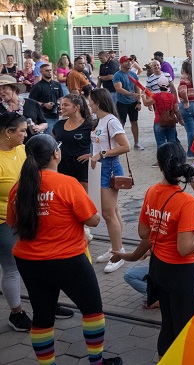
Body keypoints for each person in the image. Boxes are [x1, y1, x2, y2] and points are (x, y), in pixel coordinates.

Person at [6, 134, 121, 365]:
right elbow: (93, 220)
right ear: (56, 154)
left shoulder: (18, 188)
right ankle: (96, 362)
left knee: (42, 316)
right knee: (92, 311)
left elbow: (12, 223)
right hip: (67, 259)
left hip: (28, 261)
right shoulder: (67, 183)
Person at [111, 142, 194, 357]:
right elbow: (185, 247)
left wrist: (161, 224)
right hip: (180, 272)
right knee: (183, 328)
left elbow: (143, 232)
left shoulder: (151, 191)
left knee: (167, 325)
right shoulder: (186, 201)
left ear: (159, 165)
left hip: (159, 267)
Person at [88, 88, 131, 274]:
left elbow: (125, 146)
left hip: (109, 167)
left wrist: (101, 154)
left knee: (108, 213)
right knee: (113, 211)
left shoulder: (111, 121)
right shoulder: (100, 121)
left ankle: (118, 253)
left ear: (97, 102)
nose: (88, 103)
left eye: (90, 100)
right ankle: (116, 247)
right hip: (101, 167)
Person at [0, 112, 32, 331]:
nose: (25, 134)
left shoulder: (22, 149)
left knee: (33, 264)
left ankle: (46, 303)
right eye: (21, 130)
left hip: (26, 217)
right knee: (11, 268)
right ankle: (16, 313)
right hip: (4, 222)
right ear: (8, 133)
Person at [52, 94, 92, 190]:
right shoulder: (59, 124)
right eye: (61, 105)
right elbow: (51, 143)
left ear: (76, 107)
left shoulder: (89, 125)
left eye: (66, 105)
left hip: (82, 169)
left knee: (83, 199)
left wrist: (91, 155)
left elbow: (102, 144)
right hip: (62, 168)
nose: (62, 107)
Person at [113, 56, 144, 150]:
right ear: (121, 63)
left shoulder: (133, 74)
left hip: (133, 102)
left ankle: (136, 143)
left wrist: (139, 101)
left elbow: (137, 88)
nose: (129, 63)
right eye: (126, 61)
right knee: (121, 123)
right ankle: (119, 144)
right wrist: (131, 94)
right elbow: (118, 88)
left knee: (134, 122)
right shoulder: (117, 75)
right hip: (122, 102)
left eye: (130, 61)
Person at [143, 75, 182, 149]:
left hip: (159, 121)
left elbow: (146, 103)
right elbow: (176, 110)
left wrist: (142, 95)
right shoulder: (173, 96)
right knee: (171, 143)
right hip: (171, 122)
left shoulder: (156, 96)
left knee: (160, 144)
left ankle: (161, 160)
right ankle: (172, 159)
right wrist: (180, 120)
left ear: (158, 85)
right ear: (167, 85)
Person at [28, 64, 63, 134]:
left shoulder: (57, 84)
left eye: (50, 70)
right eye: (47, 71)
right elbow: (31, 102)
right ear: (41, 72)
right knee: (48, 138)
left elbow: (61, 98)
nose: (49, 72)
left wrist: (61, 107)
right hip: (44, 117)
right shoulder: (37, 86)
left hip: (56, 116)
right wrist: (44, 104)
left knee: (57, 137)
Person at [177, 60, 194, 158]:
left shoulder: (184, 79)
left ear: (183, 69)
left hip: (188, 106)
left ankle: (191, 152)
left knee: (190, 131)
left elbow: (183, 92)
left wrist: (186, 101)